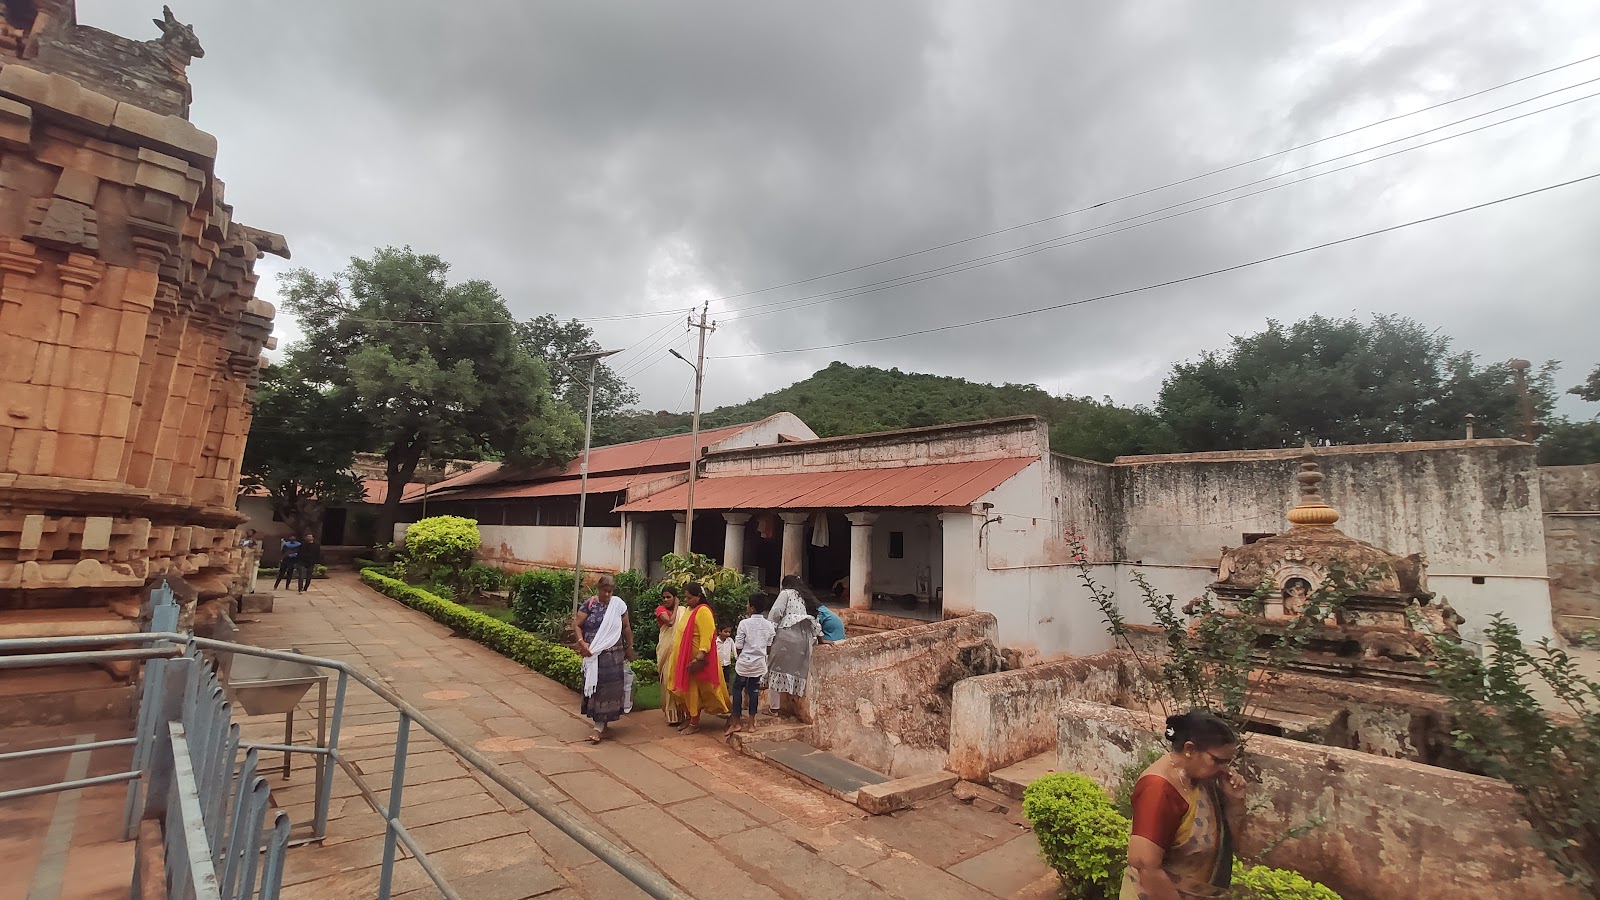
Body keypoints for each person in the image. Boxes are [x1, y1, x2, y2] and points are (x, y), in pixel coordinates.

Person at [1123, 710, 1246, 900]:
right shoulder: (1159, 789)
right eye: (1218, 761)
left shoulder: (1203, 780)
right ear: (1190, 749)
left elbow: (1231, 846)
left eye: (1227, 762)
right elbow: (1145, 865)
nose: (1224, 768)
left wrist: (1235, 802)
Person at [575, 574, 635, 743]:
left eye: (610, 591)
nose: (607, 594)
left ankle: (602, 726)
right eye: (604, 591)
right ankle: (599, 726)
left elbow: (626, 627)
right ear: (598, 589)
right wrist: (582, 643)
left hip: (614, 656)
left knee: (611, 690)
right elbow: (577, 626)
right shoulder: (590, 605)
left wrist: (630, 647)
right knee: (597, 689)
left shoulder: (618, 605)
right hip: (595, 655)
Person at [665, 582, 731, 734]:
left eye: (689, 598)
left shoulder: (703, 611)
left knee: (694, 690)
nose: (686, 600)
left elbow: (707, 636)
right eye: (685, 597)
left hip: (695, 660)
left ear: (698, 597)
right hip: (683, 657)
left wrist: (700, 657)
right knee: (684, 689)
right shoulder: (690, 609)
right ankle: (689, 718)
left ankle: (694, 723)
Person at [764, 574, 821, 716]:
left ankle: (774, 708)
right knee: (796, 672)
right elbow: (816, 620)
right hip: (804, 640)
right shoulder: (807, 598)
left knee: (774, 670)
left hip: (786, 636)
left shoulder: (785, 594)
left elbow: (776, 614)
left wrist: (769, 639)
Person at [725, 593, 777, 737]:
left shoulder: (744, 624)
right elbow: (768, 646)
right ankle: (752, 724)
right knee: (754, 691)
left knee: (737, 690)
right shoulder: (769, 626)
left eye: (748, 604)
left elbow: (739, 645)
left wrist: (741, 656)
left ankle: (736, 722)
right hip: (759, 663)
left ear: (752, 608)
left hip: (744, 662)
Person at [654, 587, 688, 727]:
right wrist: (676, 607)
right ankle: (672, 715)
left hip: (679, 651)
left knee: (679, 680)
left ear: (675, 597)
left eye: (669, 597)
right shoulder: (660, 610)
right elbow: (670, 622)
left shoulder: (683, 610)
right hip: (666, 651)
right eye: (664, 597)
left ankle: (683, 714)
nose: (666, 600)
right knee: (668, 680)